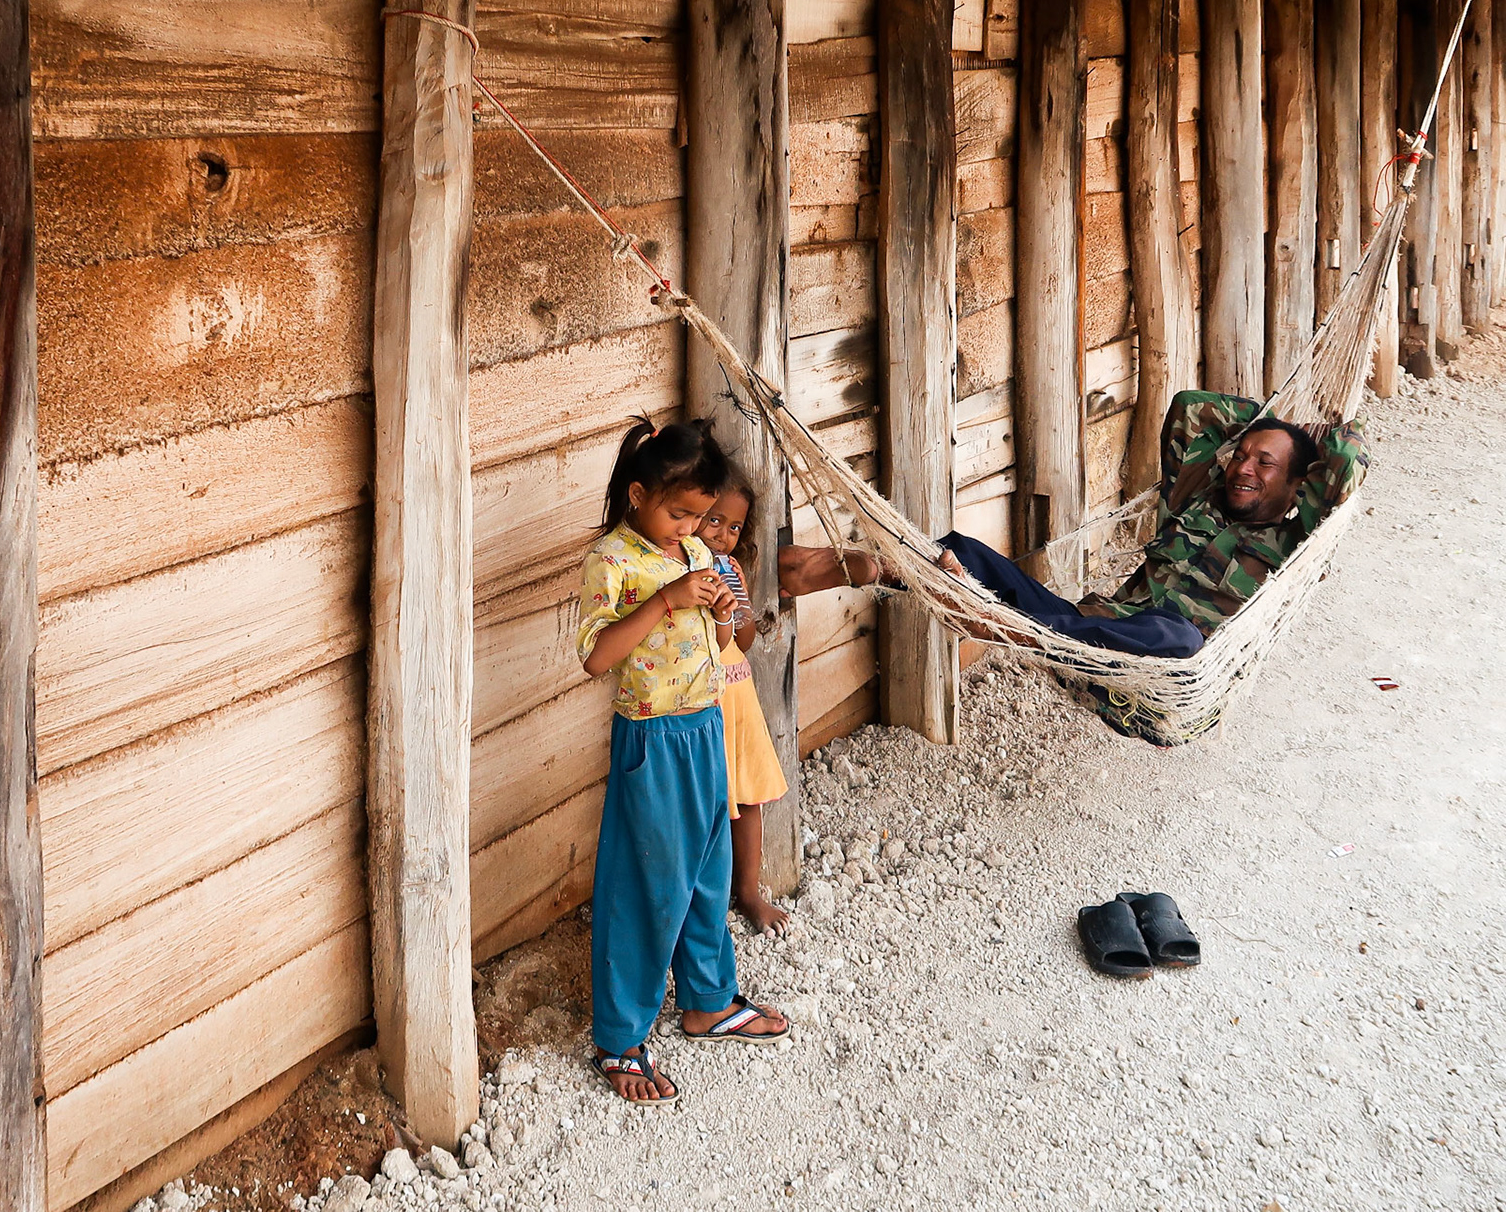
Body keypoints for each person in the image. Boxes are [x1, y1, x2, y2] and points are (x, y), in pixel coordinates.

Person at [778, 390, 1370, 659]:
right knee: (965, 550)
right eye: (1242, 454)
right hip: (1089, 626)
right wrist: (1267, 425)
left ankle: (1012, 625)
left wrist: (1313, 441)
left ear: (1297, 484)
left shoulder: (1294, 541)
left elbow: (1351, 465)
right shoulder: (1198, 498)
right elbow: (1190, 408)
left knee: (1182, 637)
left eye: (1264, 464)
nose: (1243, 466)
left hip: (1169, 666)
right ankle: (861, 564)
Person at [576, 417, 790, 1105]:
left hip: (704, 728)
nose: (689, 528)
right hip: (651, 738)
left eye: (699, 516)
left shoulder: (693, 554)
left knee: (707, 870)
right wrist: (666, 600)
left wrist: (723, 608)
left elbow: (727, 638)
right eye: (679, 513)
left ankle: (707, 999)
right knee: (646, 887)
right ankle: (620, 1037)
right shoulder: (613, 562)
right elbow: (596, 656)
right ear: (638, 494)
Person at [695, 480, 791, 936]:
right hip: (703, 699)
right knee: (710, 799)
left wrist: (737, 612)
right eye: (714, 520)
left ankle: (749, 891)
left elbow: (744, 640)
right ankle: (705, 900)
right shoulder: (684, 569)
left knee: (748, 794)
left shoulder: (730, 567)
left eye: (734, 526)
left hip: (738, 693)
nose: (723, 534)